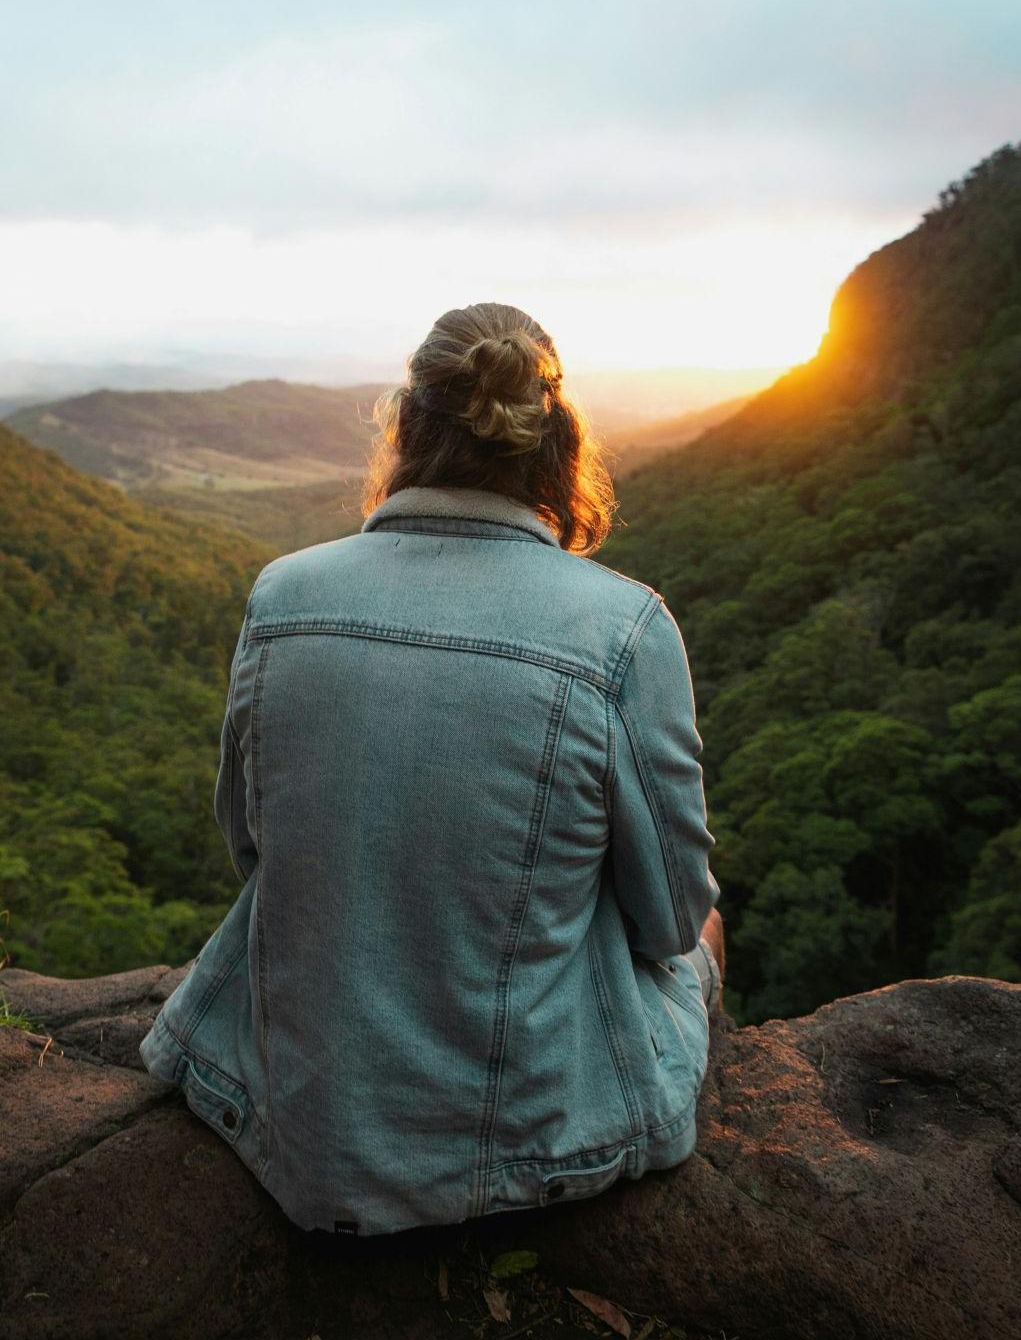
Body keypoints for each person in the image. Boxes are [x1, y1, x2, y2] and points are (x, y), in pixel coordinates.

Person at [140, 301, 724, 1237]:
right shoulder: (624, 630)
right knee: (707, 928)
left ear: (406, 428)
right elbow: (668, 921)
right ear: (556, 443)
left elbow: (255, 850)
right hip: (529, 1141)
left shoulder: (284, 595)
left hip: (295, 1124)